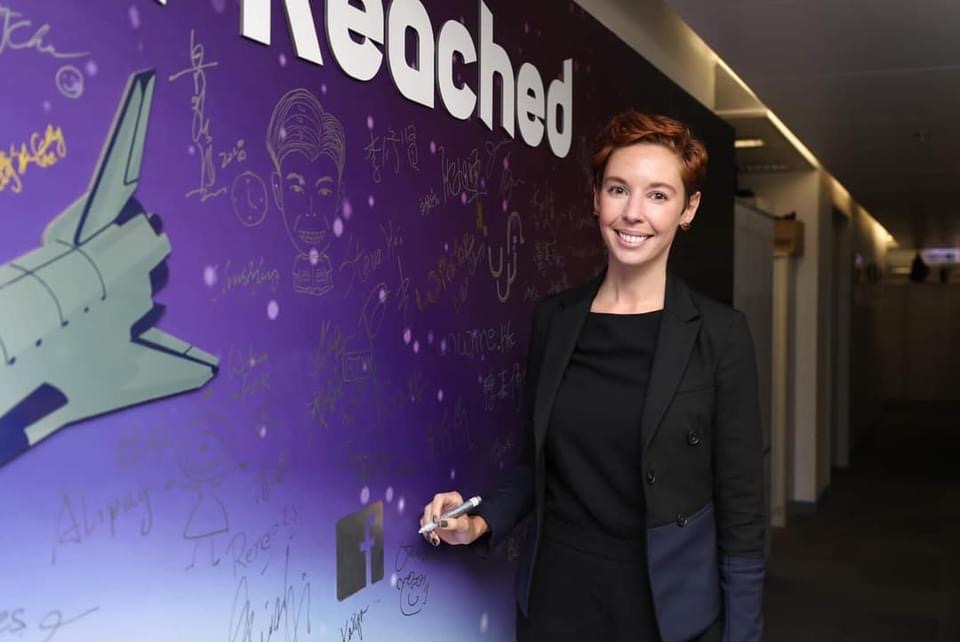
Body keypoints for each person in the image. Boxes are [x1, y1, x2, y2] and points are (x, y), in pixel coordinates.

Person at [421, 111, 766, 642]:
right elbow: (536, 467)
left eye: (658, 195)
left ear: (688, 208)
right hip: (558, 605)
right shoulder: (555, 320)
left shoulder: (721, 335)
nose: (633, 213)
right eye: (618, 189)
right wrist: (478, 520)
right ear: (596, 197)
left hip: (667, 614)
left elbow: (742, 514)